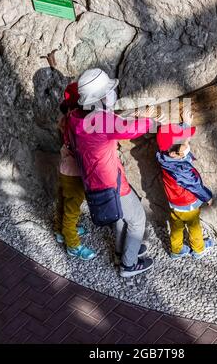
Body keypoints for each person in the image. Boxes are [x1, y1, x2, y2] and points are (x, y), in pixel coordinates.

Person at [68, 68, 160, 277]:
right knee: (137, 219)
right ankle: (128, 265)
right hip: (111, 181)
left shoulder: (75, 117)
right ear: (100, 98)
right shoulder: (101, 121)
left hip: (92, 180)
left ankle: (122, 251)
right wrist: (148, 118)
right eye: (108, 91)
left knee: (119, 217)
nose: (112, 93)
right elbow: (130, 130)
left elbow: (109, 124)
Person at [156, 123, 214, 259]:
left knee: (176, 226)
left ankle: (176, 250)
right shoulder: (181, 169)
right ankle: (198, 250)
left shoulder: (162, 156)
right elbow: (194, 185)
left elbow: (168, 137)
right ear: (175, 154)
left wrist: (186, 124)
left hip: (174, 202)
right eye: (186, 143)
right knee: (194, 227)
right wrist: (207, 197)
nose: (188, 142)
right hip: (188, 203)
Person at [53, 82, 96, 260]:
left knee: (63, 200)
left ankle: (60, 230)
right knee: (72, 211)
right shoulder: (78, 121)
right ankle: (73, 245)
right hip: (75, 172)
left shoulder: (65, 118)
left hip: (64, 169)